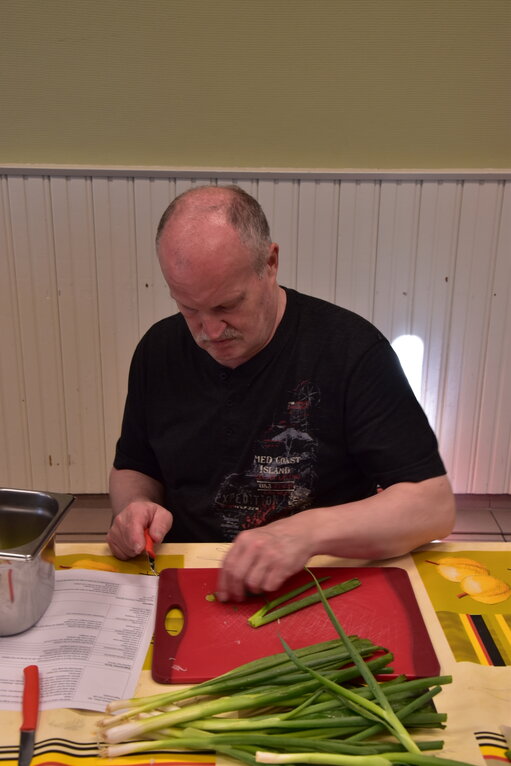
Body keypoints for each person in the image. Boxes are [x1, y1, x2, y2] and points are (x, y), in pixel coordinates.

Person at [107, 184, 455, 601]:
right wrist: (135, 507)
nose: (209, 332)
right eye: (188, 308)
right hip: (191, 576)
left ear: (270, 263)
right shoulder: (158, 350)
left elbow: (433, 507)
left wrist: (306, 532)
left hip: (316, 579)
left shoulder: (350, 350)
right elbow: (134, 466)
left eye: (227, 305)